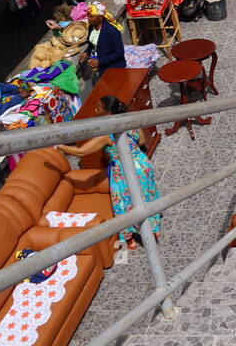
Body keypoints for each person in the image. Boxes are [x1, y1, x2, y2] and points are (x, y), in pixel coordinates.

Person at [57, 97, 162, 247]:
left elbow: (80, 152)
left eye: (98, 108)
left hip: (124, 171)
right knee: (146, 197)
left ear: (107, 113)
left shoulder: (106, 135)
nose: (95, 110)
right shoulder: (131, 120)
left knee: (124, 203)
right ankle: (154, 229)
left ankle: (130, 239)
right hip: (142, 165)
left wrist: (59, 145)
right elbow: (142, 141)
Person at [85, 1, 125, 76]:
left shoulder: (111, 30)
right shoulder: (91, 27)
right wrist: (87, 51)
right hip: (101, 67)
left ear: (100, 17)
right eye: (87, 16)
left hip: (114, 68)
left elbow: (120, 53)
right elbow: (93, 43)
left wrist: (99, 61)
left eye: (91, 16)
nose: (88, 19)